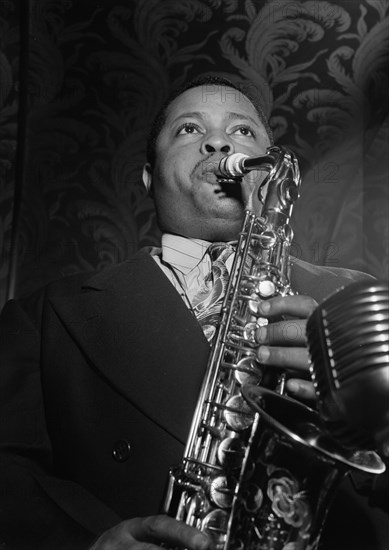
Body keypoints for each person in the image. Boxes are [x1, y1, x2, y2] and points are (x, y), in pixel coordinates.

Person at [0, 75, 387, 550]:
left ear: (270, 171)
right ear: (148, 175)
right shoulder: (42, 314)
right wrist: (88, 542)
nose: (220, 141)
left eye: (243, 131)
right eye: (188, 129)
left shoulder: (356, 296)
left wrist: (373, 413)